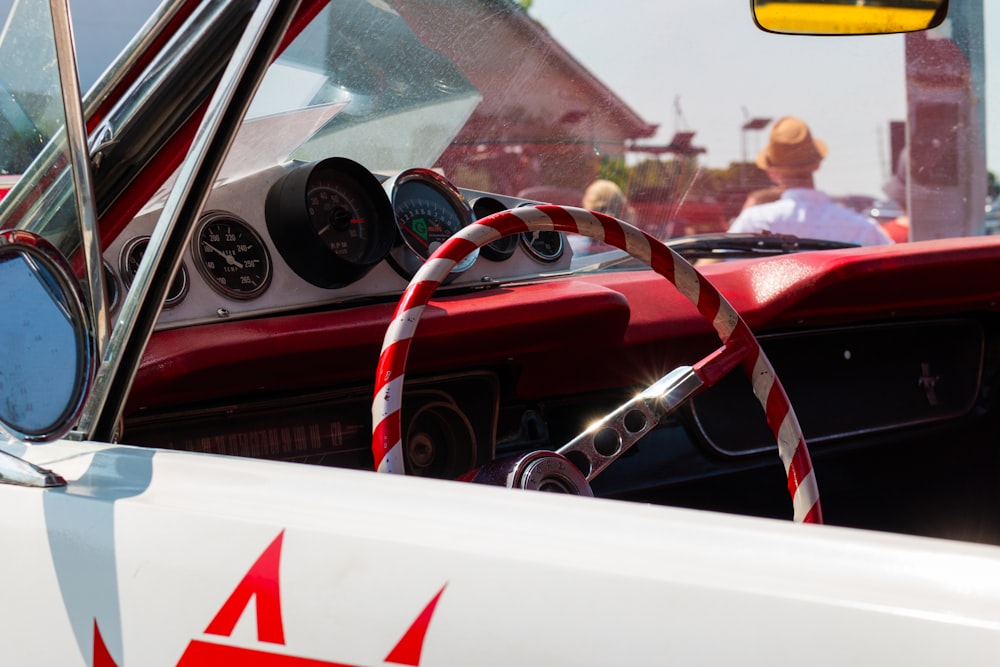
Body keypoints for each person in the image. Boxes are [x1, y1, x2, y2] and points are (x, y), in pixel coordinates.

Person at [728, 116, 892, 246]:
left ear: (771, 172)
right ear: (817, 164)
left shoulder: (754, 221)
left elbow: (717, 269)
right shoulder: (862, 227)